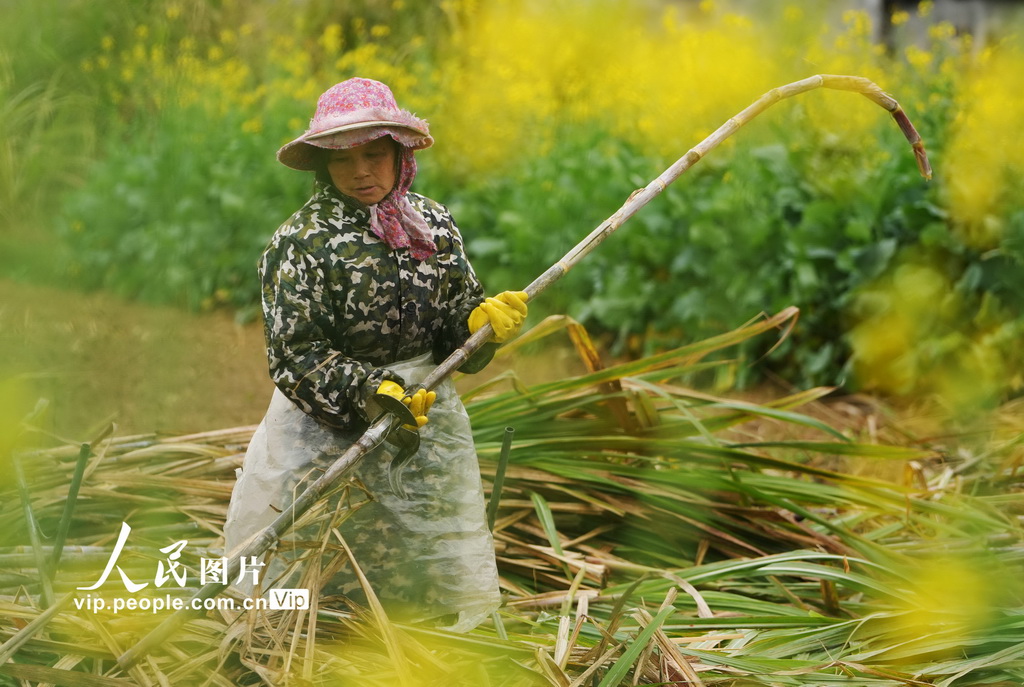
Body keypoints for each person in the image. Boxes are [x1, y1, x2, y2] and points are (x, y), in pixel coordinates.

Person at [223, 77, 528, 632]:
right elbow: (296, 353)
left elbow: (451, 321)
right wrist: (367, 392)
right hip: (326, 432)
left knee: (425, 551)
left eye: (374, 153)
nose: (361, 171)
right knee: (321, 555)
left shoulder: (433, 225)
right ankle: (308, 642)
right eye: (343, 158)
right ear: (321, 164)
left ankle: (418, 644)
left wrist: (477, 326)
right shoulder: (301, 242)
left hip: (426, 418)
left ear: (400, 154)